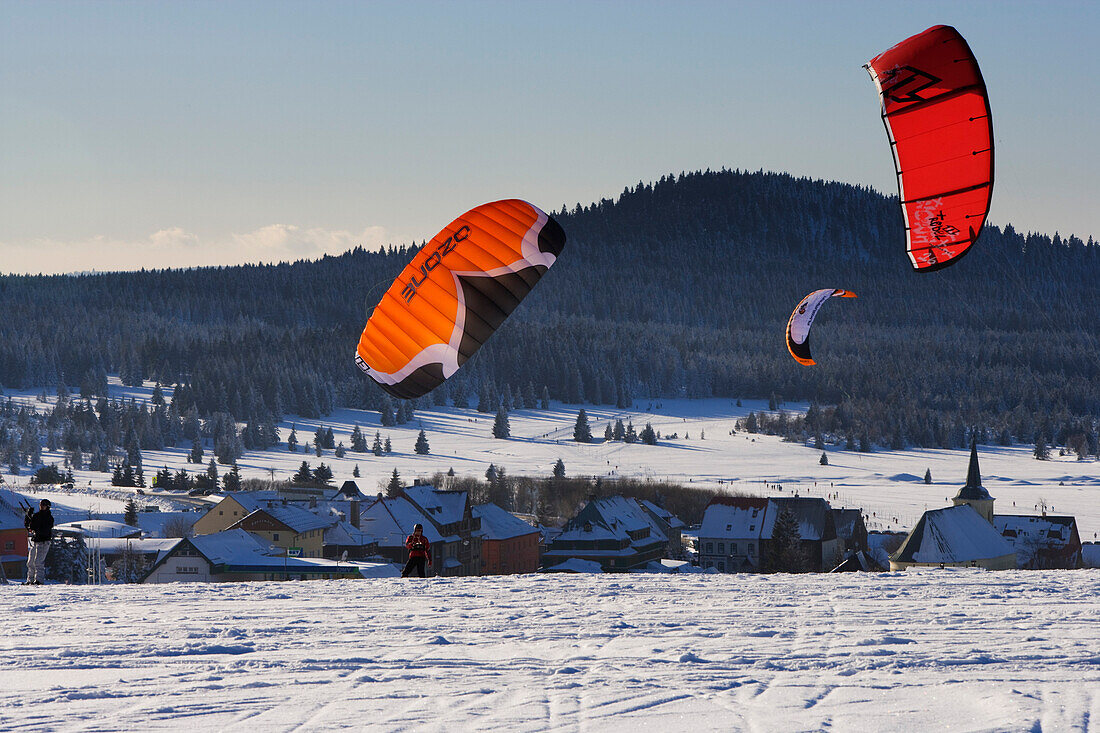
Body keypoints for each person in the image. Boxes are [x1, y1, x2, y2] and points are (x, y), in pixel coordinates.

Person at [24, 499, 54, 585]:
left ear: (48, 506)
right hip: (35, 541)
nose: (41, 506)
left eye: (44, 504)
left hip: (44, 542)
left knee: (38, 562)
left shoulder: (49, 518)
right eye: (40, 504)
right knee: (30, 562)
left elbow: (44, 529)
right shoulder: (36, 516)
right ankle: (30, 580)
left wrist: (35, 529)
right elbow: (29, 526)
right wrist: (28, 515)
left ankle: (39, 580)